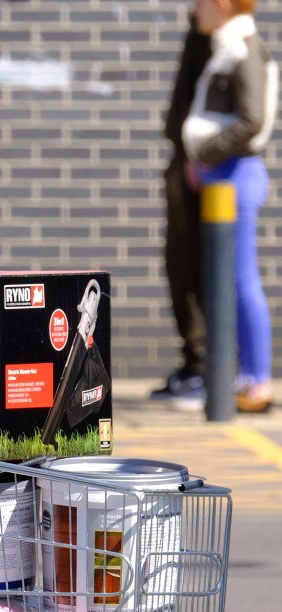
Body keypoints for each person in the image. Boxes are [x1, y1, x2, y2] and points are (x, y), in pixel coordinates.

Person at [182, 0, 278, 413]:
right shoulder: (228, 45)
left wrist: (206, 152)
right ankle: (243, 378)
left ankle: (257, 381)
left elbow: (253, 120)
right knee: (230, 280)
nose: (194, 9)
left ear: (222, 4)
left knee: (239, 280)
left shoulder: (243, 48)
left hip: (235, 175)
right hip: (225, 175)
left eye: (201, 1)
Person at [150, 15, 212, 408]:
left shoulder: (223, 33)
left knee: (201, 265)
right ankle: (195, 361)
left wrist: (199, 154)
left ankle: (208, 366)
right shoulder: (201, 27)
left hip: (199, 167)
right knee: (179, 265)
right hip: (184, 161)